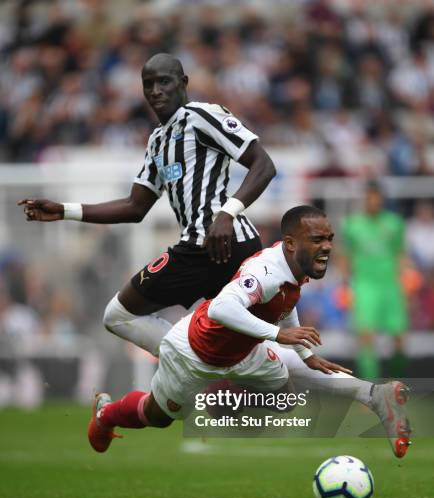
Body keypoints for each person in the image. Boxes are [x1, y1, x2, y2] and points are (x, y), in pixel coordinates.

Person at [88, 206, 411, 459]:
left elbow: (283, 307)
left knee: (286, 397)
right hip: (193, 353)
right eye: (317, 240)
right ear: (290, 243)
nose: (327, 247)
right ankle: (106, 414)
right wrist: (278, 335)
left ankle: (376, 397)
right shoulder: (266, 272)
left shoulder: (291, 269)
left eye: (329, 239)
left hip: (243, 353)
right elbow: (220, 309)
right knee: (157, 416)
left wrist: (306, 354)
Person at [18, 53, 276, 356]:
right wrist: (64, 211)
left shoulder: (202, 116)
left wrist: (227, 213)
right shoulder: (158, 141)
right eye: (148, 84)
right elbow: (135, 206)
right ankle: (215, 369)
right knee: (238, 351)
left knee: (119, 314)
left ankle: (191, 362)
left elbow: (263, 164)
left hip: (224, 242)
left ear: (183, 83)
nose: (155, 91)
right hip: (201, 250)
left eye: (164, 81)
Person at [341, 181, 408, 379]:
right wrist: (346, 285)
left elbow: (401, 254)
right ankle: (371, 388)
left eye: (376, 197)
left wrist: (405, 283)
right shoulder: (352, 224)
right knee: (366, 336)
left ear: (381, 199)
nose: (373, 201)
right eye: (369, 197)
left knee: (399, 339)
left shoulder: (395, 223)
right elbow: (345, 256)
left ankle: (398, 381)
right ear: (365, 199)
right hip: (364, 287)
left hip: (391, 286)